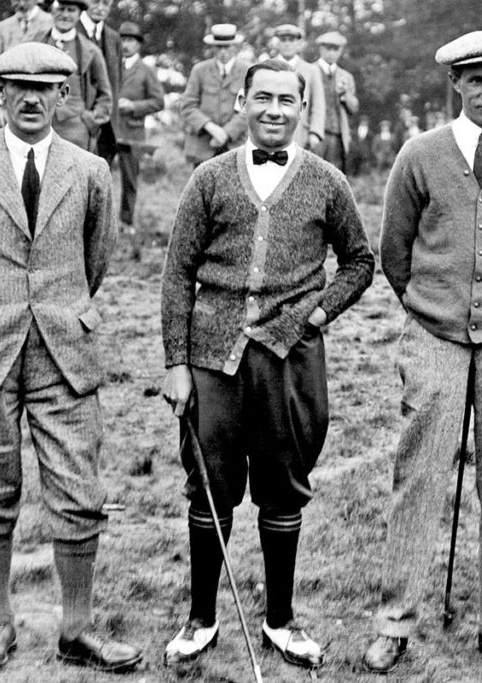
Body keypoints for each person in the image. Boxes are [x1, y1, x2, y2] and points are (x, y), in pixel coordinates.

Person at [0, 41, 142, 675]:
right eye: (17, 85)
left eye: (44, 88)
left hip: (63, 352)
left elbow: (95, 261)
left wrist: (58, 307)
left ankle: (77, 629)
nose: (29, 98)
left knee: (77, 490)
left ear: (63, 95)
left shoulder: (90, 172)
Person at [160, 59, 374, 670]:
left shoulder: (328, 181)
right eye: (262, 98)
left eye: (286, 100)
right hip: (213, 358)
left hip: (289, 361)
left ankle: (280, 620)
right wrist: (177, 362)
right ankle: (201, 619)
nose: (274, 110)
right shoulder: (208, 178)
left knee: (282, 489)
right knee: (210, 486)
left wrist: (317, 314)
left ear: (303, 107)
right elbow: (177, 273)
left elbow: (360, 262)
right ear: (241, 102)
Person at [363, 30, 482, 676]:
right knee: (419, 475)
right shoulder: (419, 154)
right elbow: (394, 250)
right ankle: (395, 622)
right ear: (456, 85)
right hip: (435, 333)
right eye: (476, 81)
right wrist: (432, 304)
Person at [29, 0, 110, 150]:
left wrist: (90, 120)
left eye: (71, 10)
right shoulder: (34, 42)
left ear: (79, 15)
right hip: (35, 123)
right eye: (61, 9)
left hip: (75, 129)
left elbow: (105, 95)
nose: (65, 15)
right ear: (52, 11)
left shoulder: (91, 51)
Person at [112, 20, 162, 229]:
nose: (125, 45)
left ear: (138, 44)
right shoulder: (110, 65)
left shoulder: (146, 70)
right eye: (122, 40)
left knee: (130, 179)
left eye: (130, 41)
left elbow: (158, 102)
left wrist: (133, 106)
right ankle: (99, 221)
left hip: (132, 132)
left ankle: (126, 222)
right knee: (98, 175)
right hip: (108, 129)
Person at [178, 23, 248, 167]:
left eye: (227, 47)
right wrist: (210, 127)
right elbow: (187, 106)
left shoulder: (247, 71)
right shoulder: (199, 70)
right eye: (218, 47)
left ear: (235, 46)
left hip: (235, 146)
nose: (223, 52)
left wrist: (227, 132)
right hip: (203, 146)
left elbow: (251, 108)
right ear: (212, 48)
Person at [0, 0, 52, 131]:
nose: (20, 3)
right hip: (8, 107)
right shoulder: (1, 28)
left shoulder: (51, 23)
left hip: (43, 107)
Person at [270, 23, 323, 151]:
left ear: (299, 43)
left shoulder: (311, 70)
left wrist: (315, 132)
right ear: (277, 43)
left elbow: (318, 104)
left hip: (300, 135)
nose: (287, 44)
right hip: (270, 130)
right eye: (283, 40)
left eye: (291, 40)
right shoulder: (266, 67)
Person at [78, 0, 120, 163]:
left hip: (105, 127)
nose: (100, 8)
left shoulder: (113, 38)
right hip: (76, 123)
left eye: (106, 3)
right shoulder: (71, 32)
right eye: (95, 1)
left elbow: (117, 82)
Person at [313, 30, 357, 173]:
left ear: (341, 51)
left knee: (334, 177)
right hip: (314, 135)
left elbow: (354, 108)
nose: (332, 53)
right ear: (320, 49)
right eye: (328, 48)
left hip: (337, 136)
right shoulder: (309, 71)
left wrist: (345, 95)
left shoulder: (346, 76)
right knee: (310, 175)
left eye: (336, 49)